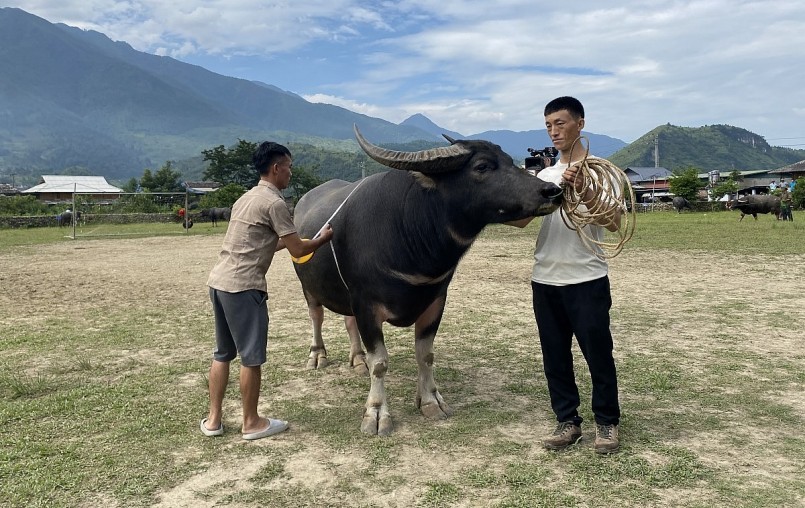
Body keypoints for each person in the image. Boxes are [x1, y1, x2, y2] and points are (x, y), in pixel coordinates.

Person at [510, 96, 622, 454]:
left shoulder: (602, 171)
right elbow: (523, 220)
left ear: (580, 123)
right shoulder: (544, 176)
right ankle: (567, 421)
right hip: (545, 277)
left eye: (560, 123)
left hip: (587, 277)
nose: (553, 131)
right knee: (554, 354)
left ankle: (606, 424)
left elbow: (614, 222)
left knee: (598, 353)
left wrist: (584, 188)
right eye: (548, 125)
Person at [201, 141, 333, 440]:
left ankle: (214, 421)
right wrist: (322, 239)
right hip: (245, 288)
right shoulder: (275, 203)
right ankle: (251, 423)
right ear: (276, 168)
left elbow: (264, 243)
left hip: (220, 282)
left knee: (223, 353)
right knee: (251, 357)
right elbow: (299, 250)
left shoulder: (246, 198)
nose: (290, 173)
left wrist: (294, 239)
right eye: (289, 167)